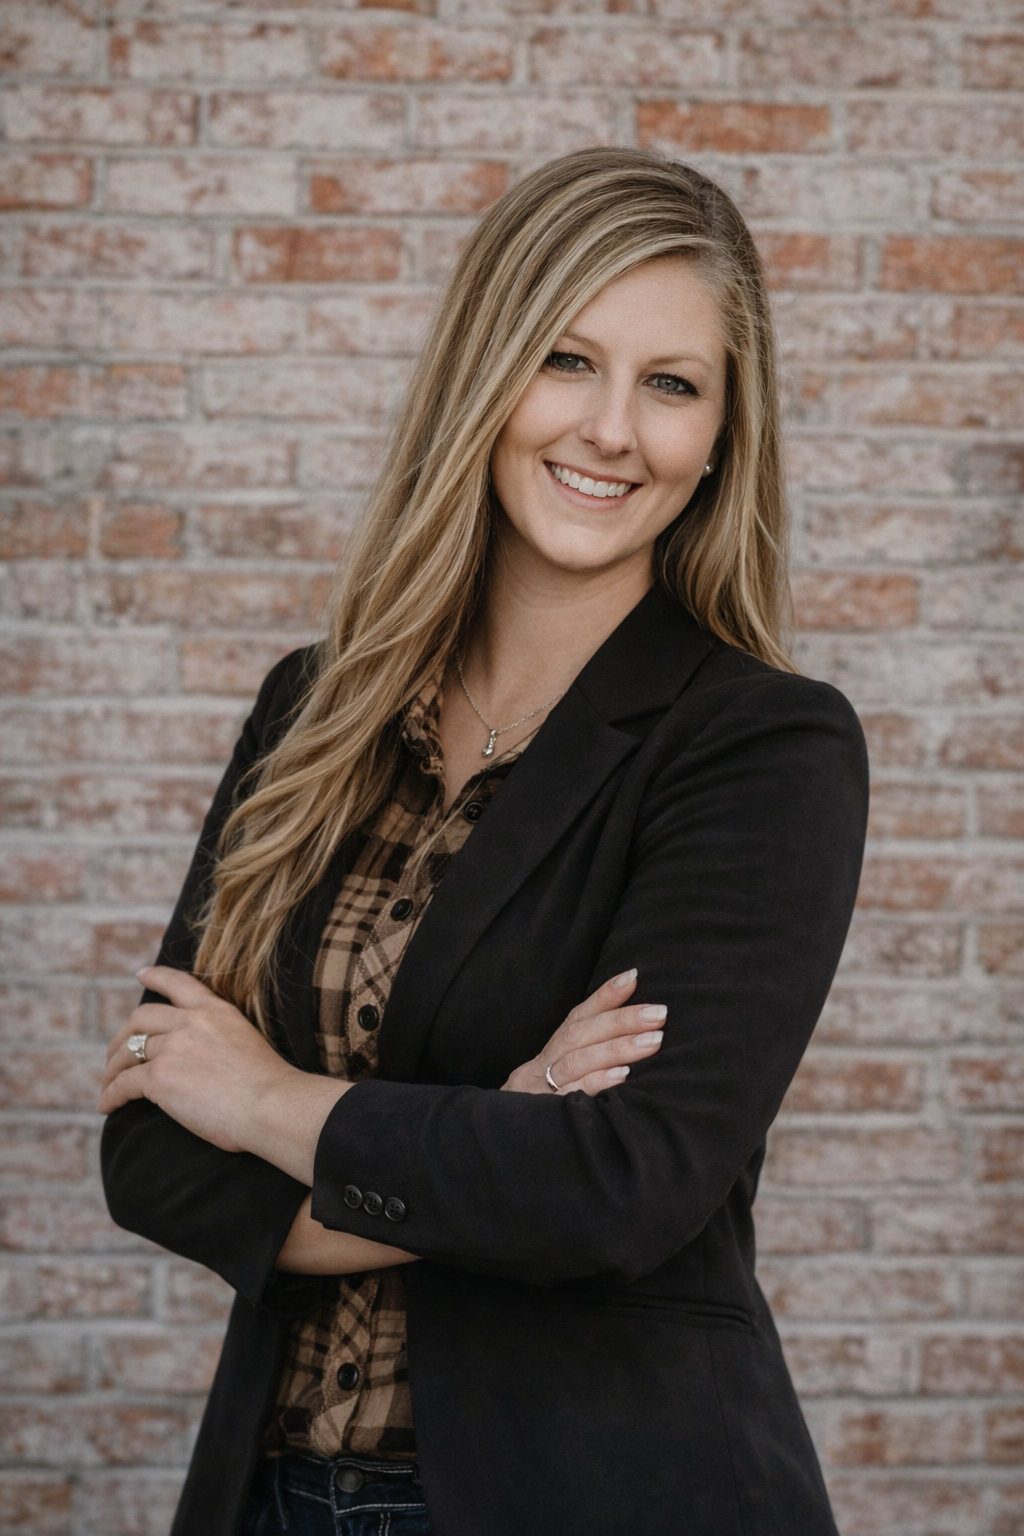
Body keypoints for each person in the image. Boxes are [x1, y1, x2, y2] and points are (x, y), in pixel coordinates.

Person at [100, 148, 868, 1536]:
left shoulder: (763, 746)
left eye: (673, 384)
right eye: (568, 360)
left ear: (722, 438)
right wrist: (500, 1134)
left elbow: (619, 1189)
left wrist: (269, 1105)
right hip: (271, 1498)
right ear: (486, 370)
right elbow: (152, 1143)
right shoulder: (314, 707)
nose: (615, 431)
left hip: (610, 1495)